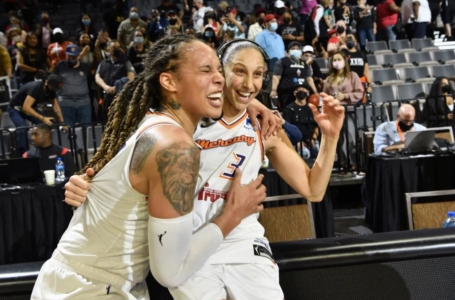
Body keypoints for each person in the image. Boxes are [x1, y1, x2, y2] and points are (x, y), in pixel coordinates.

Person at [65, 39, 344, 299]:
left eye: (258, 74)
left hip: (243, 243)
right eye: (239, 71)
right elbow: (120, 161)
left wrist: (330, 137)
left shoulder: (264, 126)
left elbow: (313, 189)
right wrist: (84, 183)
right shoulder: (186, 116)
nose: (249, 83)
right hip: (190, 247)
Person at [32, 34, 269, 299]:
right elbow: (170, 271)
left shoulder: (151, 124)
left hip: (79, 280)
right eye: (206, 70)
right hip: (91, 287)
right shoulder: (175, 145)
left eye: (218, 69)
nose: (220, 78)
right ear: (168, 81)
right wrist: (233, 214)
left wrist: (252, 101)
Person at [323, 51, 363, 172]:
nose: (336, 62)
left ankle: (354, 163)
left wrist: (344, 96)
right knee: (339, 139)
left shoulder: (353, 75)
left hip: (349, 111)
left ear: (344, 61)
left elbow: (359, 92)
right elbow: (324, 96)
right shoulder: (329, 79)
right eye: (334, 60)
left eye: (339, 59)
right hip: (335, 113)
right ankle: (343, 163)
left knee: (351, 138)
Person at [7, 74, 66, 153]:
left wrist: (62, 122)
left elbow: (56, 107)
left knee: (46, 124)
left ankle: (44, 148)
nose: (53, 90)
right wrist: (42, 118)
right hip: (15, 108)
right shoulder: (36, 87)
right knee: (22, 128)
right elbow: (26, 107)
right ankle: (22, 152)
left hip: (30, 107)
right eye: (53, 87)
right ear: (47, 83)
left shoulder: (51, 90)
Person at [95, 40, 135, 120]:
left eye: (118, 47)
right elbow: (97, 77)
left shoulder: (125, 62)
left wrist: (117, 86)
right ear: (108, 49)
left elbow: (132, 76)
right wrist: (105, 87)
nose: (117, 49)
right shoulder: (103, 63)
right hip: (106, 97)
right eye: (114, 48)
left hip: (121, 97)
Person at [271, 41, 318, 109]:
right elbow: (276, 77)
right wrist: (274, 90)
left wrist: (315, 92)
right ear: (288, 51)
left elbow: (309, 78)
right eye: (293, 48)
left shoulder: (304, 63)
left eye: (297, 49)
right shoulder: (282, 61)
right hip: (287, 93)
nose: (295, 50)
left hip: (303, 94)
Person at [54, 45, 92, 127]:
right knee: (67, 132)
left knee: (85, 131)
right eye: (69, 56)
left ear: (78, 55)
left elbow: (90, 83)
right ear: (66, 55)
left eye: (74, 56)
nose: (71, 59)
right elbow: (55, 84)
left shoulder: (85, 67)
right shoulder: (60, 66)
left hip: (84, 103)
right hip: (65, 103)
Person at [283, 81, 320, 158]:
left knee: (319, 152)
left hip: (310, 140)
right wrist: (297, 142)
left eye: (303, 89)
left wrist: (313, 138)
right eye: (298, 90)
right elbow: (286, 129)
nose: (301, 91)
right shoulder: (289, 109)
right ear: (294, 93)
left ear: (308, 92)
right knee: (305, 153)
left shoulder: (312, 108)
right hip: (296, 142)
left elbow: (316, 127)